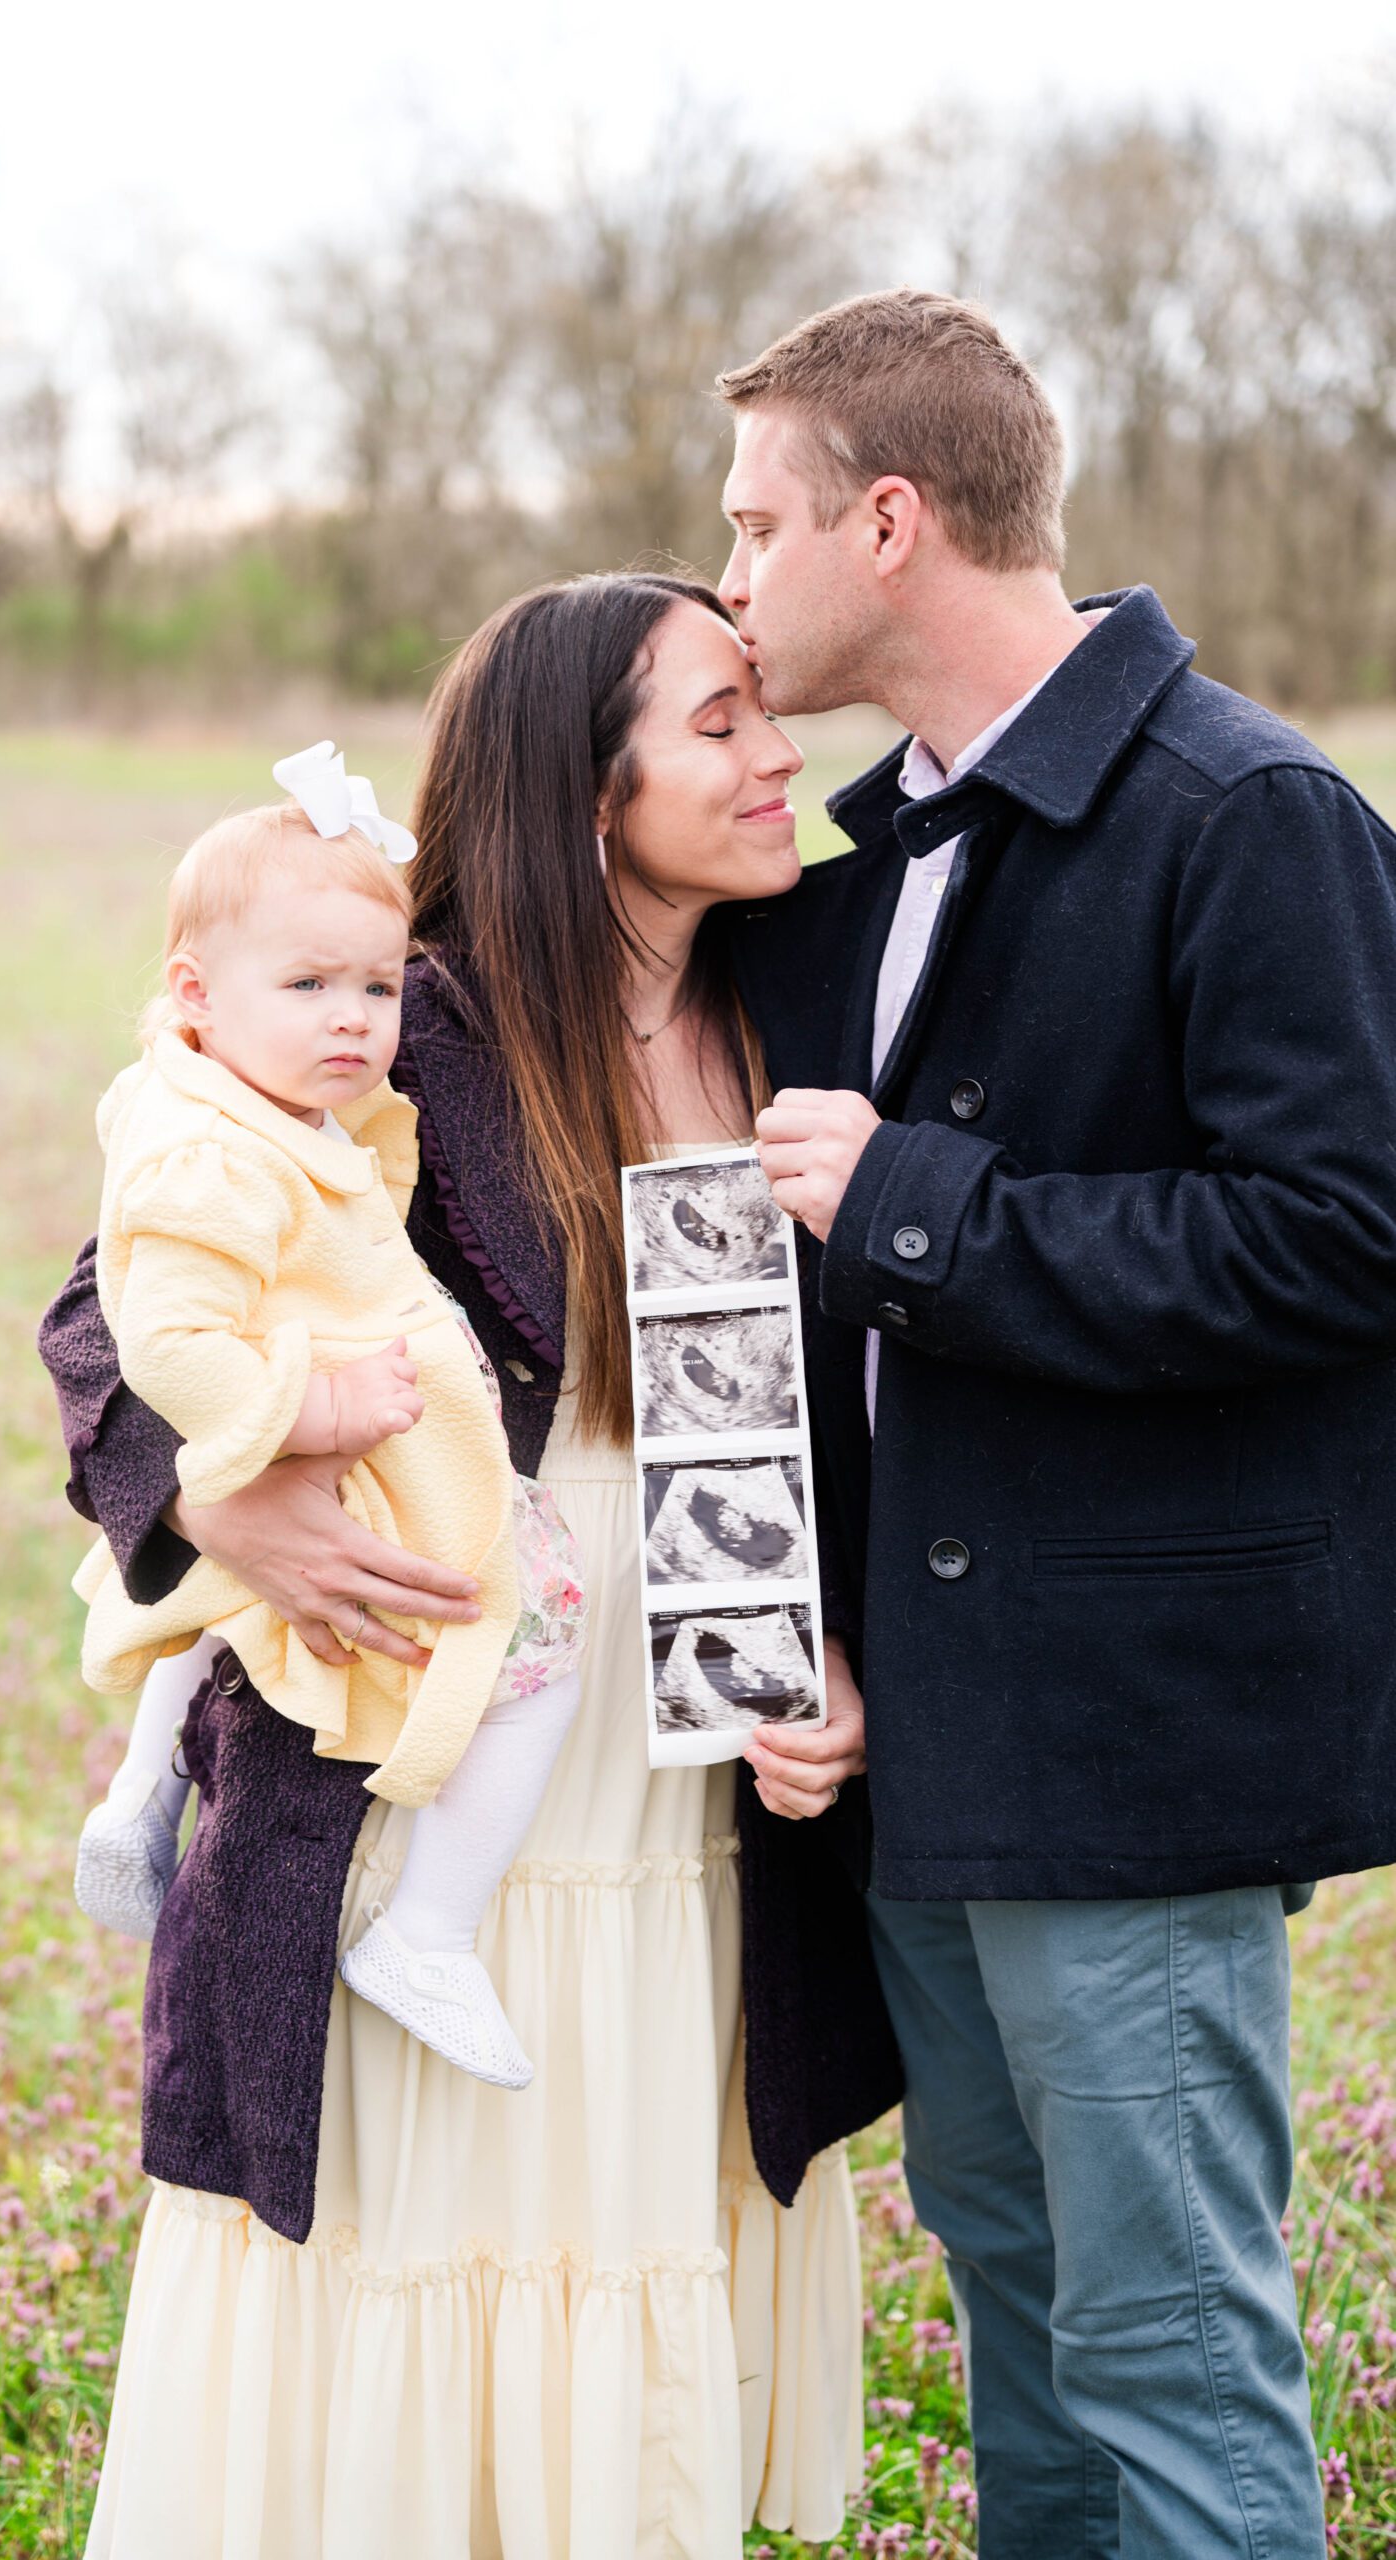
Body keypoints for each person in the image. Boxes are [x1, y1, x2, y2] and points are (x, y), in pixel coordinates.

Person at [38, 573, 902, 2559]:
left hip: (678, 1778)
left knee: (625, 2204)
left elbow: (792, 1411)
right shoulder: (404, 1017)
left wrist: (825, 1661)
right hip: (428, 1738)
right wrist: (215, 1493)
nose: (781, 755)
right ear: (584, 785)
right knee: (425, 2225)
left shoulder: (801, 1004)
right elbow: (114, 1303)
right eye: (719, 720)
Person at [719, 286, 1396, 2559]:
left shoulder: (1255, 811)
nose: (731, 581)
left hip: (1134, 1733)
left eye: (754, 529)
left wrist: (929, 1206)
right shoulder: (856, 866)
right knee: (1019, 2307)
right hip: (915, 1735)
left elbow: (1344, 1241)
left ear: (886, 521)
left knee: (1166, 2346)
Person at [69, 759, 587, 2090]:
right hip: (335, 1447)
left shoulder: (246, 1104)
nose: (355, 1020)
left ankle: (137, 1798)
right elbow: (167, 1335)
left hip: (315, 1432)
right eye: (307, 987)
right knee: (538, 1639)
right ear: (196, 994)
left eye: (374, 986)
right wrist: (305, 1413)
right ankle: (428, 1928)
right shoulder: (214, 1154)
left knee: (218, 1607)